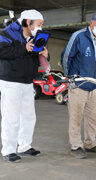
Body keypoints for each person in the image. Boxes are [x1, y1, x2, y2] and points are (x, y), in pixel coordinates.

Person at [0, 9, 47, 162]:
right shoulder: (7, 34)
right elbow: (2, 51)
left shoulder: (34, 37)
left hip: (28, 82)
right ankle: (8, 150)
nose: (40, 27)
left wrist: (45, 54)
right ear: (28, 22)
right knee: (11, 118)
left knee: (28, 117)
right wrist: (24, 48)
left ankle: (24, 146)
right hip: (10, 82)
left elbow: (35, 56)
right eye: (38, 24)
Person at [61, 10, 96, 159]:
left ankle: (90, 143)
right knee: (76, 117)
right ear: (91, 23)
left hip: (93, 85)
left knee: (93, 117)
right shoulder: (78, 36)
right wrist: (71, 78)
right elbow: (66, 57)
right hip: (78, 85)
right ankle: (76, 146)